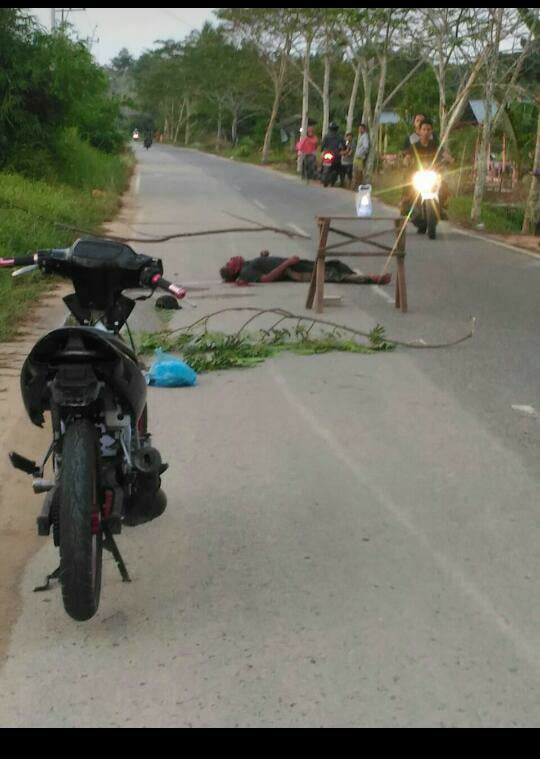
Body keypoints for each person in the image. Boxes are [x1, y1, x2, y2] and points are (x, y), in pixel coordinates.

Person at [219, 251, 391, 286]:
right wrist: (286, 264)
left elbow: (264, 267)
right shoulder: (245, 272)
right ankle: (372, 279)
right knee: (329, 274)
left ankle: (358, 276)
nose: (230, 260)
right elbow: (266, 279)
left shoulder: (248, 264)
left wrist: (264, 256)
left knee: (333, 265)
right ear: (234, 270)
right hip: (292, 270)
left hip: (292, 264)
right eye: (229, 264)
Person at [401, 119, 449, 220]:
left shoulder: (435, 145)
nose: (426, 132)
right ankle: (406, 206)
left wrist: (449, 159)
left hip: (432, 174)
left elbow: (444, 154)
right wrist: (406, 161)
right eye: (424, 129)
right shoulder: (415, 146)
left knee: (444, 186)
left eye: (428, 129)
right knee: (408, 185)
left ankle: (442, 207)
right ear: (420, 131)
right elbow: (407, 156)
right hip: (418, 175)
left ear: (431, 131)